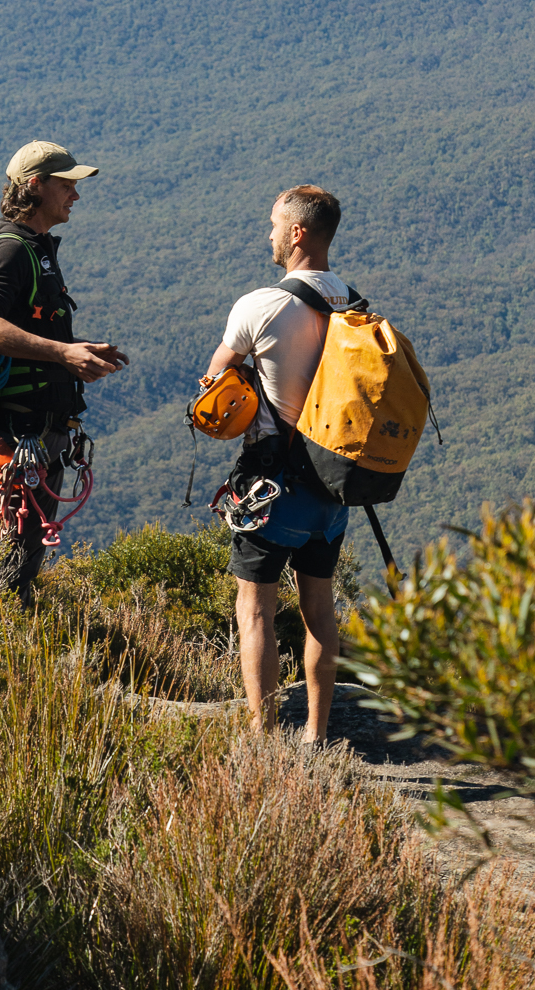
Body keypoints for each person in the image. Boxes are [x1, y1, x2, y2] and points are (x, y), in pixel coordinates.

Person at [201, 185, 362, 741]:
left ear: (296, 233)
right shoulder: (355, 305)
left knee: (257, 611)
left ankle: (263, 737)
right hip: (334, 490)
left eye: (274, 224)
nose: (268, 233)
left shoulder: (261, 306)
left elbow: (212, 384)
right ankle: (318, 734)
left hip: (273, 488)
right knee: (320, 606)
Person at [0, 139, 127, 598]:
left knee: (24, 557)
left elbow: (27, 328)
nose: (75, 194)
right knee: (14, 561)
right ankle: (1, 651)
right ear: (35, 186)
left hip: (43, 432)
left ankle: (8, 643)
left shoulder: (36, 248)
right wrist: (63, 355)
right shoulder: (11, 250)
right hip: (24, 434)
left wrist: (79, 350)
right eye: (67, 184)